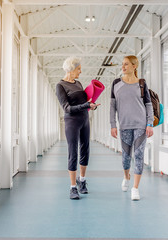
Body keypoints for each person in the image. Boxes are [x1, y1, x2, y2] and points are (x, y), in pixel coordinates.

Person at [110, 55, 154, 201]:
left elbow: (148, 104)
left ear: (134, 66)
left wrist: (149, 124)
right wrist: (113, 125)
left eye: (126, 64)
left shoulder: (142, 83)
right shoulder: (116, 83)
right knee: (126, 157)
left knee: (139, 155)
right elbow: (112, 106)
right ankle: (126, 176)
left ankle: (135, 188)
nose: (123, 67)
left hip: (141, 125)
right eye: (122, 64)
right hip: (124, 125)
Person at [56, 56, 100, 200]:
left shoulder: (79, 83)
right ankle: (73, 187)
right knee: (73, 152)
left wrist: (90, 106)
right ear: (71, 69)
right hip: (72, 122)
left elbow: (83, 103)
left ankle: (82, 180)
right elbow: (67, 108)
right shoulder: (60, 86)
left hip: (84, 120)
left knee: (85, 149)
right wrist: (86, 105)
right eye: (78, 69)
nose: (80, 72)